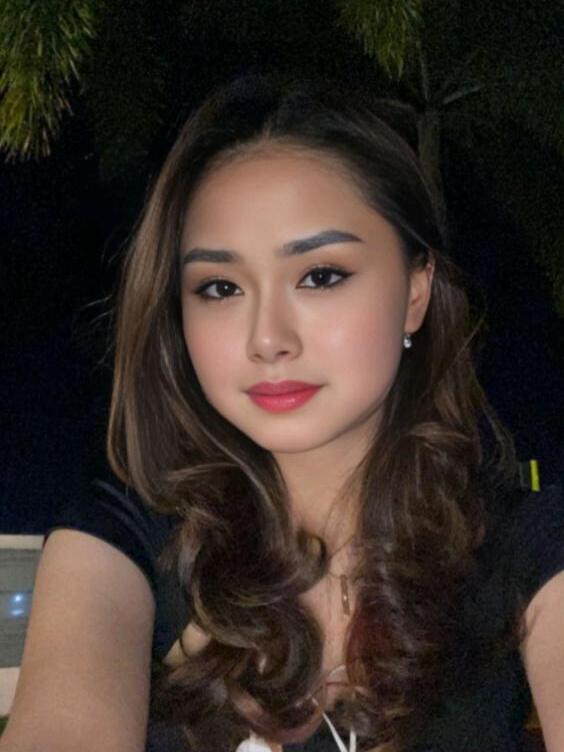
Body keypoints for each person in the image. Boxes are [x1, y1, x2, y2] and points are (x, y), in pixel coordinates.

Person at [2, 75, 563, 752]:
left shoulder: (526, 543)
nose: (267, 339)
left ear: (416, 293)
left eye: (320, 276)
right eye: (220, 287)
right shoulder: (123, 541)